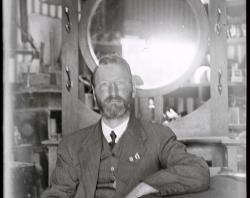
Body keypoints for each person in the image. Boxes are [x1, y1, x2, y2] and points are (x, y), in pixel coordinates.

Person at [42, 54, 210, 198]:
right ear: (94, 94)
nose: (113, 92)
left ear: (133, 90)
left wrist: (143, 188)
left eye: (120, 84)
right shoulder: (71, 146)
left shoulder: (159, 137)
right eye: (105, 85)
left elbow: (197, 171)